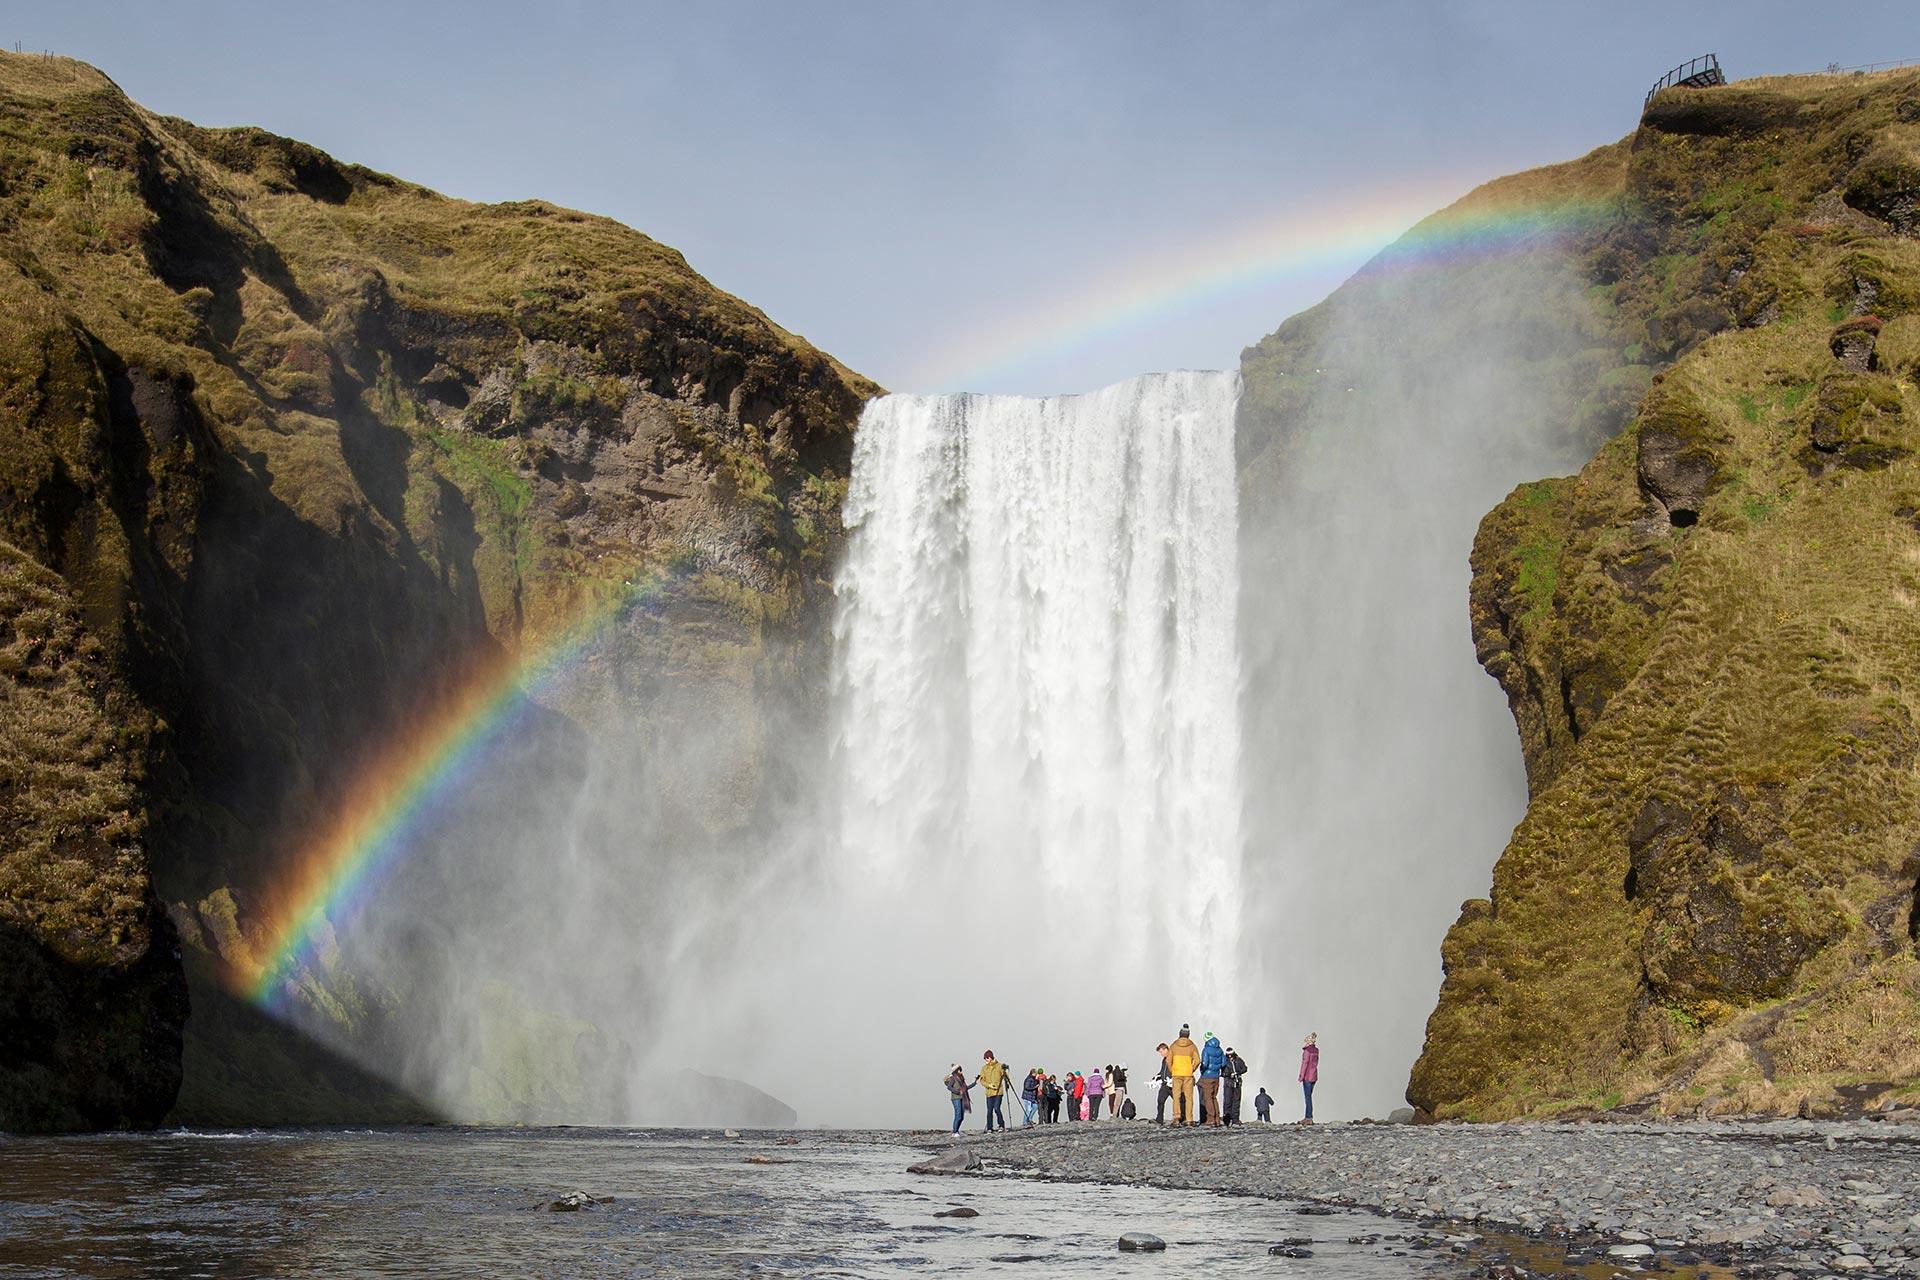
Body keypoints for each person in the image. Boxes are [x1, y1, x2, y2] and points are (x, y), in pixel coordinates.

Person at [1167, 1026, 1199, 1125]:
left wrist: (1172, 1070)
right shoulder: (1192, 1046)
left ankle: (1176, 1118)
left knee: (1176, 1097)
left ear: (1179, 1034)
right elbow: (1197, 1061)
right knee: (1189, 1097)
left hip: (1176, 1074)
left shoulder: (1173, 1046)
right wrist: (1191, 1069)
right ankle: (1189, 1119)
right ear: (1188, 1035)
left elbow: (1168, 1061)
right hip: (1188, 1075)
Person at [1198, 1031, 1226, 1127]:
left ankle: (1210, 1119)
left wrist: (1202, 1070)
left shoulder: (1206, 1049)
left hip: (1207, 1077)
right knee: (1214, 1097)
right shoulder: (1220, 1050)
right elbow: (1223, 1063)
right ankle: (1217, 1119)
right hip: (1216, 1077)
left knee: (1208, 1098)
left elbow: (1205, 1063)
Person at [978, 1051, 1010, 1132]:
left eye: (987, 1058)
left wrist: (1005, 1072)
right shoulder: (984, 1068)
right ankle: (989, 1128)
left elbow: (1006, 1076)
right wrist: (989, 1085)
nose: (986, 1060)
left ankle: (1001, 1125)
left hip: (998, 1091)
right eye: (985, 1059)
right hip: (989, 1092)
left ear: (991, 1057)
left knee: (996, 1108)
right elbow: (981, 1080)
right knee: (989, 1111)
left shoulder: (999, 1066)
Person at [1223, 1046, 1247, 1126]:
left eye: (1231, 1055)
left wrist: (1237, 1072)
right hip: (1228, 1083)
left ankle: (1235, 1119)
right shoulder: (1224, 1061)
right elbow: (1222, 1072)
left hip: (1237, 1083)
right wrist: (1228, 1074)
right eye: (1228, 1055)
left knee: (1236, 1101)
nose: (1230, 1057)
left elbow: (1245, 1068)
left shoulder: (1238, 1060)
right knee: (1227, 1101)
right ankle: (1227, 1120)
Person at [945, 1065, 972, 1135]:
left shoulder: (962, 1079)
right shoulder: (953, 1078)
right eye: (960, 1070)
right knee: (958, 1115)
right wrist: (957, 1091)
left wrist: (975, 1083)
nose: (961, 1072)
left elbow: (966, 1088)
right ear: (957, 1071)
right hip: (956, 1098)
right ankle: (955, 1132)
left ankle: (956, 1130)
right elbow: (949, 1087)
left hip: (962, 1098)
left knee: (961, 1117)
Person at [1299, 1033, 1319, 1124]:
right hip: (1314, 1076)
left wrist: (1301, 1076)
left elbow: (1305, 1064)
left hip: (1307, 1076)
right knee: (1309, 1097)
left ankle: (1308, 1117)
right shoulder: (1316, 1050)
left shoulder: (1307, 1051)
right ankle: (1309, 1116)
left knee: (1307, 1098)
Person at [1152, 1043, 1172, 1123]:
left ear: (1165, 1049)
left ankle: (1182, 1118)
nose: (1160, 1054)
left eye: (1161, 1052)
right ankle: (1159, 1119)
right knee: (1160, 1100)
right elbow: (1162, 1071)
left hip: (1171, 1084)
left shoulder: (1172, 1057)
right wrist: (1155, 1078)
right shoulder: (1164, 1060)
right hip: (1164, 1085)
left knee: (1179, 1101)